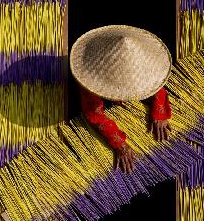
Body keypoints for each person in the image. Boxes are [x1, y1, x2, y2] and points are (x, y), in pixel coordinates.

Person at [70, 25, 173, 174]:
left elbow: (157, 87)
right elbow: (94, 115)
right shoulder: (91, 75)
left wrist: (159, 111)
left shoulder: (140, 61)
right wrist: (119, 144)